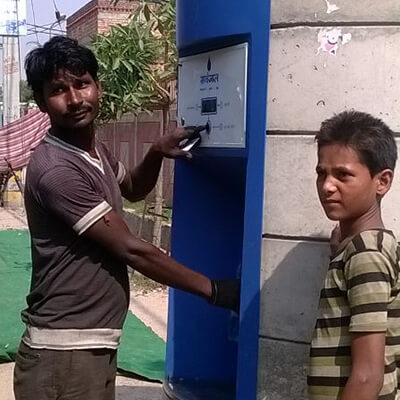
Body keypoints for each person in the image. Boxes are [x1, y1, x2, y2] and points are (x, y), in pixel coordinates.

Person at [14, 36, 239, 400]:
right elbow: (131, 250)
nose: (74, 99)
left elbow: (132, 187)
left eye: (82, 84)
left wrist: (155, 151)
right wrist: (213, 290)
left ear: (97, 86)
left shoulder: (92, 149)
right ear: (41, 102)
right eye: (58, 90)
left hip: (89, 346)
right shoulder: (56, 169)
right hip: (64, 352)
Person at [308, 110, 400, 400]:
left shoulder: (366, 254)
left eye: (343, 175)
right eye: (321, 173)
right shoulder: (361, 249)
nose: (327, 186)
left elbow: (366, 376)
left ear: (382, 181)